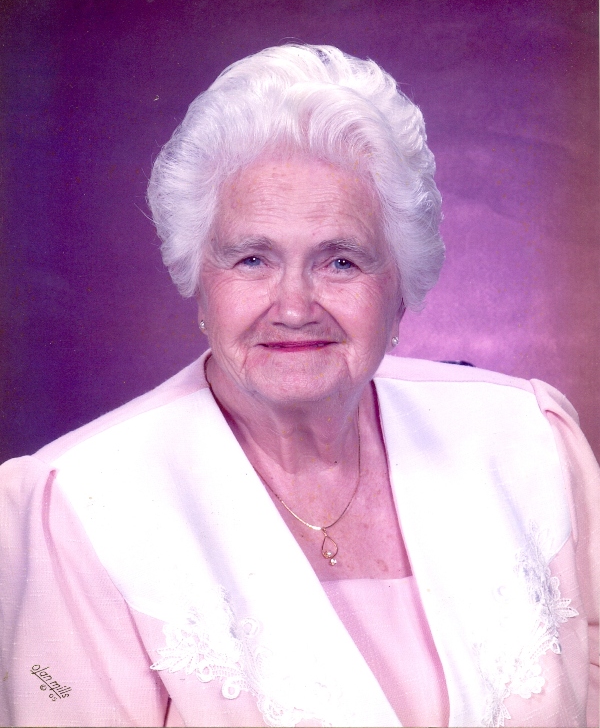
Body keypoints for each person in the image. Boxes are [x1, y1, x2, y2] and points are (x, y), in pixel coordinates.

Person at [0, 44, 597, 728]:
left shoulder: (528, 440)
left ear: (400, 288)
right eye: (252, 258)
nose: (293, 306)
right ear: (199, 278)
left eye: (340, 261)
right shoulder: (79, 505)